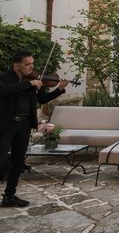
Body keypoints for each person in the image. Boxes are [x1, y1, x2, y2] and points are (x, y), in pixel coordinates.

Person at [0, 51, 68, 208]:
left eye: (32, 63)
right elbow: (3, 91)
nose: (31, 67)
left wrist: (59, 89)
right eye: (27, 64)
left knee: (18, 162)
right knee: (1, 160)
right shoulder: (4, 78)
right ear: (16, 65)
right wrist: (27, 84)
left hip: (23, 126)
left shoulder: (33, 81)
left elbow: (42, 99)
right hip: (5, 125)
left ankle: (9, 196)